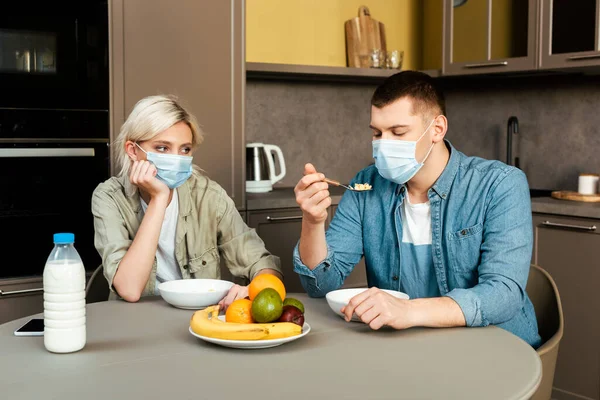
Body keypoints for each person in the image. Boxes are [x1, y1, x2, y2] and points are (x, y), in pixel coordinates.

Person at [293, 71, 541, 347]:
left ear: (437, 129)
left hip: (495, 348)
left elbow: (503, 295)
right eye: (377, 133)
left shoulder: (500, 184)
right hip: (407, 347)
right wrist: (313, 222)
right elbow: (320, 285)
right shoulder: (366, 185)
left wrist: (408, 311)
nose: (384, 144)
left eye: (398, 132)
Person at [92, 95, 282, 307]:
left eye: (185, 149)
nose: (177, 159)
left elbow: (263, 264)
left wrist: (253, 290)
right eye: (162, 148)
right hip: (136, 323)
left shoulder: (209, 195)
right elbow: (129, 289)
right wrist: (159, 199)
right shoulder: (108, 198)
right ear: (133, 150)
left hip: (198, 318)